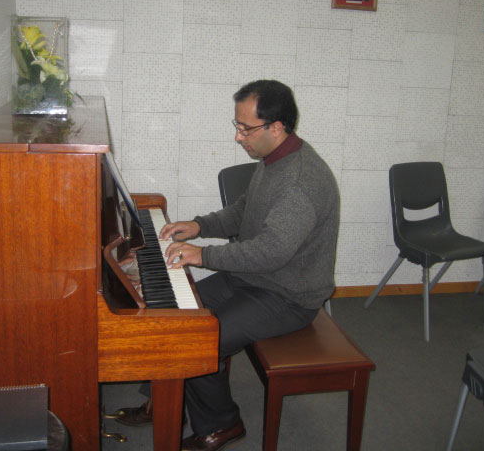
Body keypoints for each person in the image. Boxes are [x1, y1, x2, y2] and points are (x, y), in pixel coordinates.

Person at [114, 80, 340, 451]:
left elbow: (271, 252)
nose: (238, 137)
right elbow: (243, 210)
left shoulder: (301, 182)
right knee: (172, 315)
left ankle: (221, 426)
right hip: (252, 278)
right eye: (236, 125)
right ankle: (165, 401)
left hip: (286, 295)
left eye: (245, 128)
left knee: (196, 340)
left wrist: (202, 255)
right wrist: (199, 225)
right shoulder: (275, 159)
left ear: (276, 127)